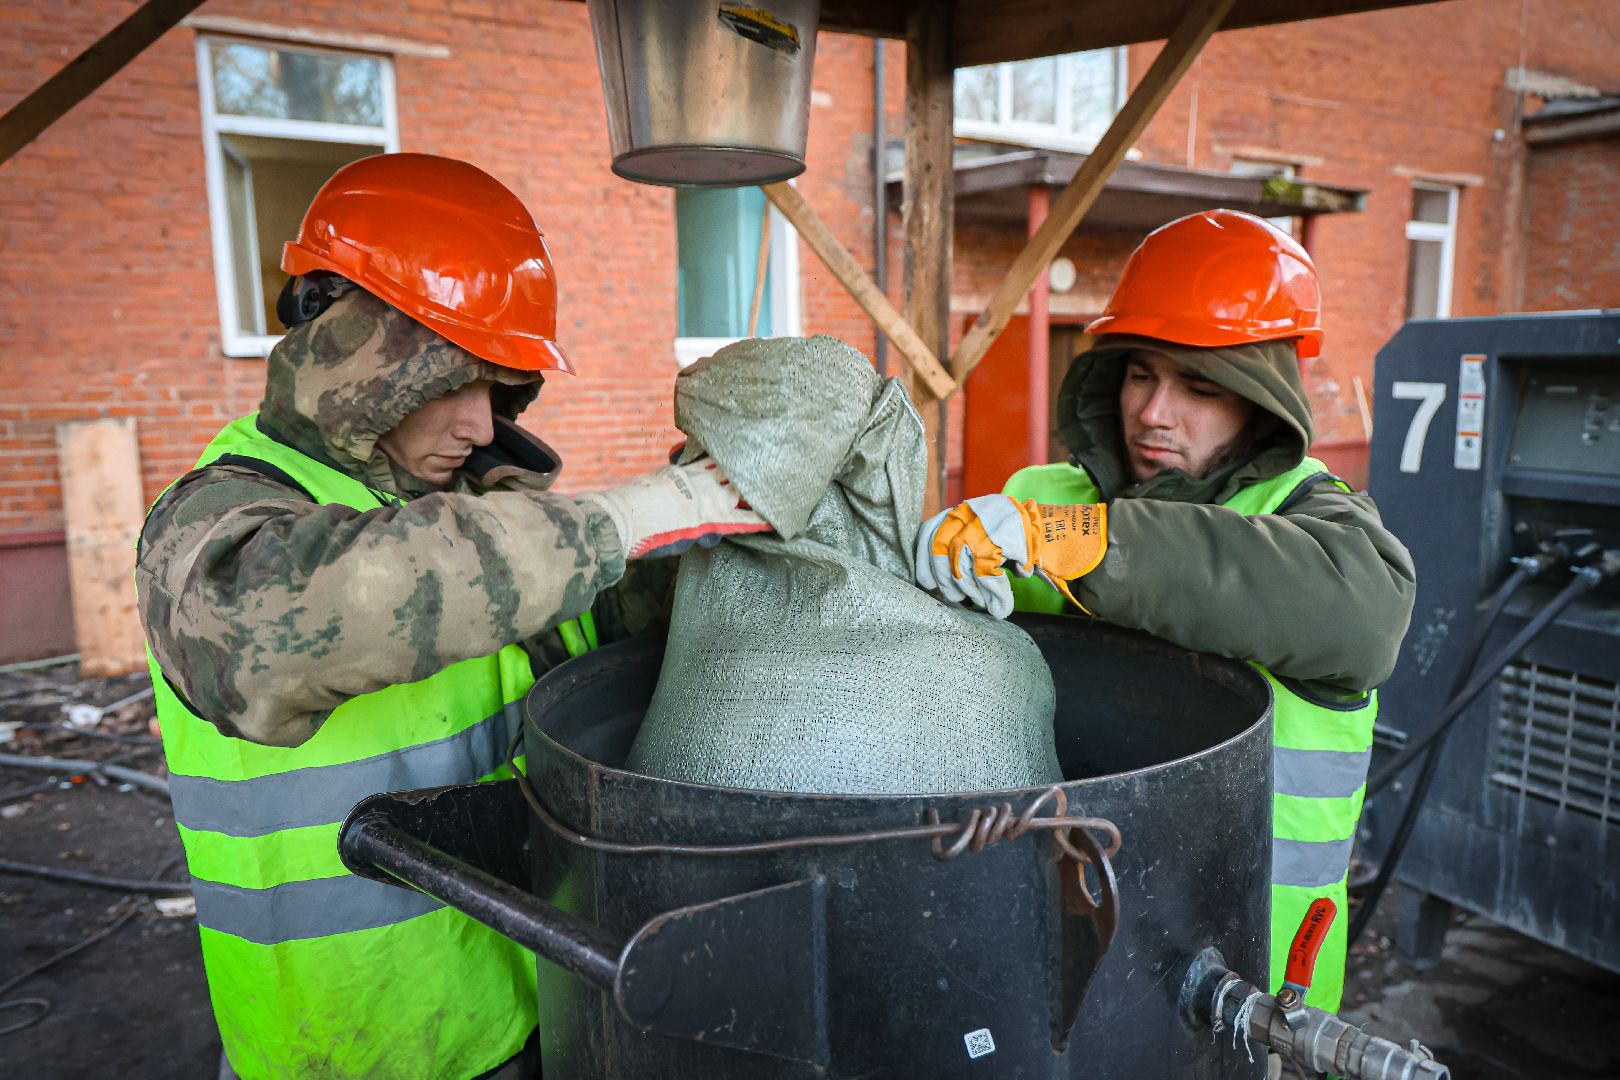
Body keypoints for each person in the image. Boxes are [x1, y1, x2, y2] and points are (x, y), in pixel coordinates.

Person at [136, 152, 766, 1078]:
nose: (480, 425)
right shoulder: (214, 523)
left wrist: (714, 552)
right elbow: (277, 634)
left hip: (519, 1008)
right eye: (449, 383)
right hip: (347, 1056)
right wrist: (627, 515)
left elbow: (596, 653)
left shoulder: (488, 519)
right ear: (352, 355)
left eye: (498, 392)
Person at [915, 209, 1416, 1015]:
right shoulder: (1039, 501)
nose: (1153, 412)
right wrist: (937, 556)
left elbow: (1366, 616)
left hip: (1249, 968)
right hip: (1065, 937)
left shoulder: (1316, 525)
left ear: (1262, 402)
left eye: (1201, 386)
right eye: (1142, 373)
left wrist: (1093, 544)